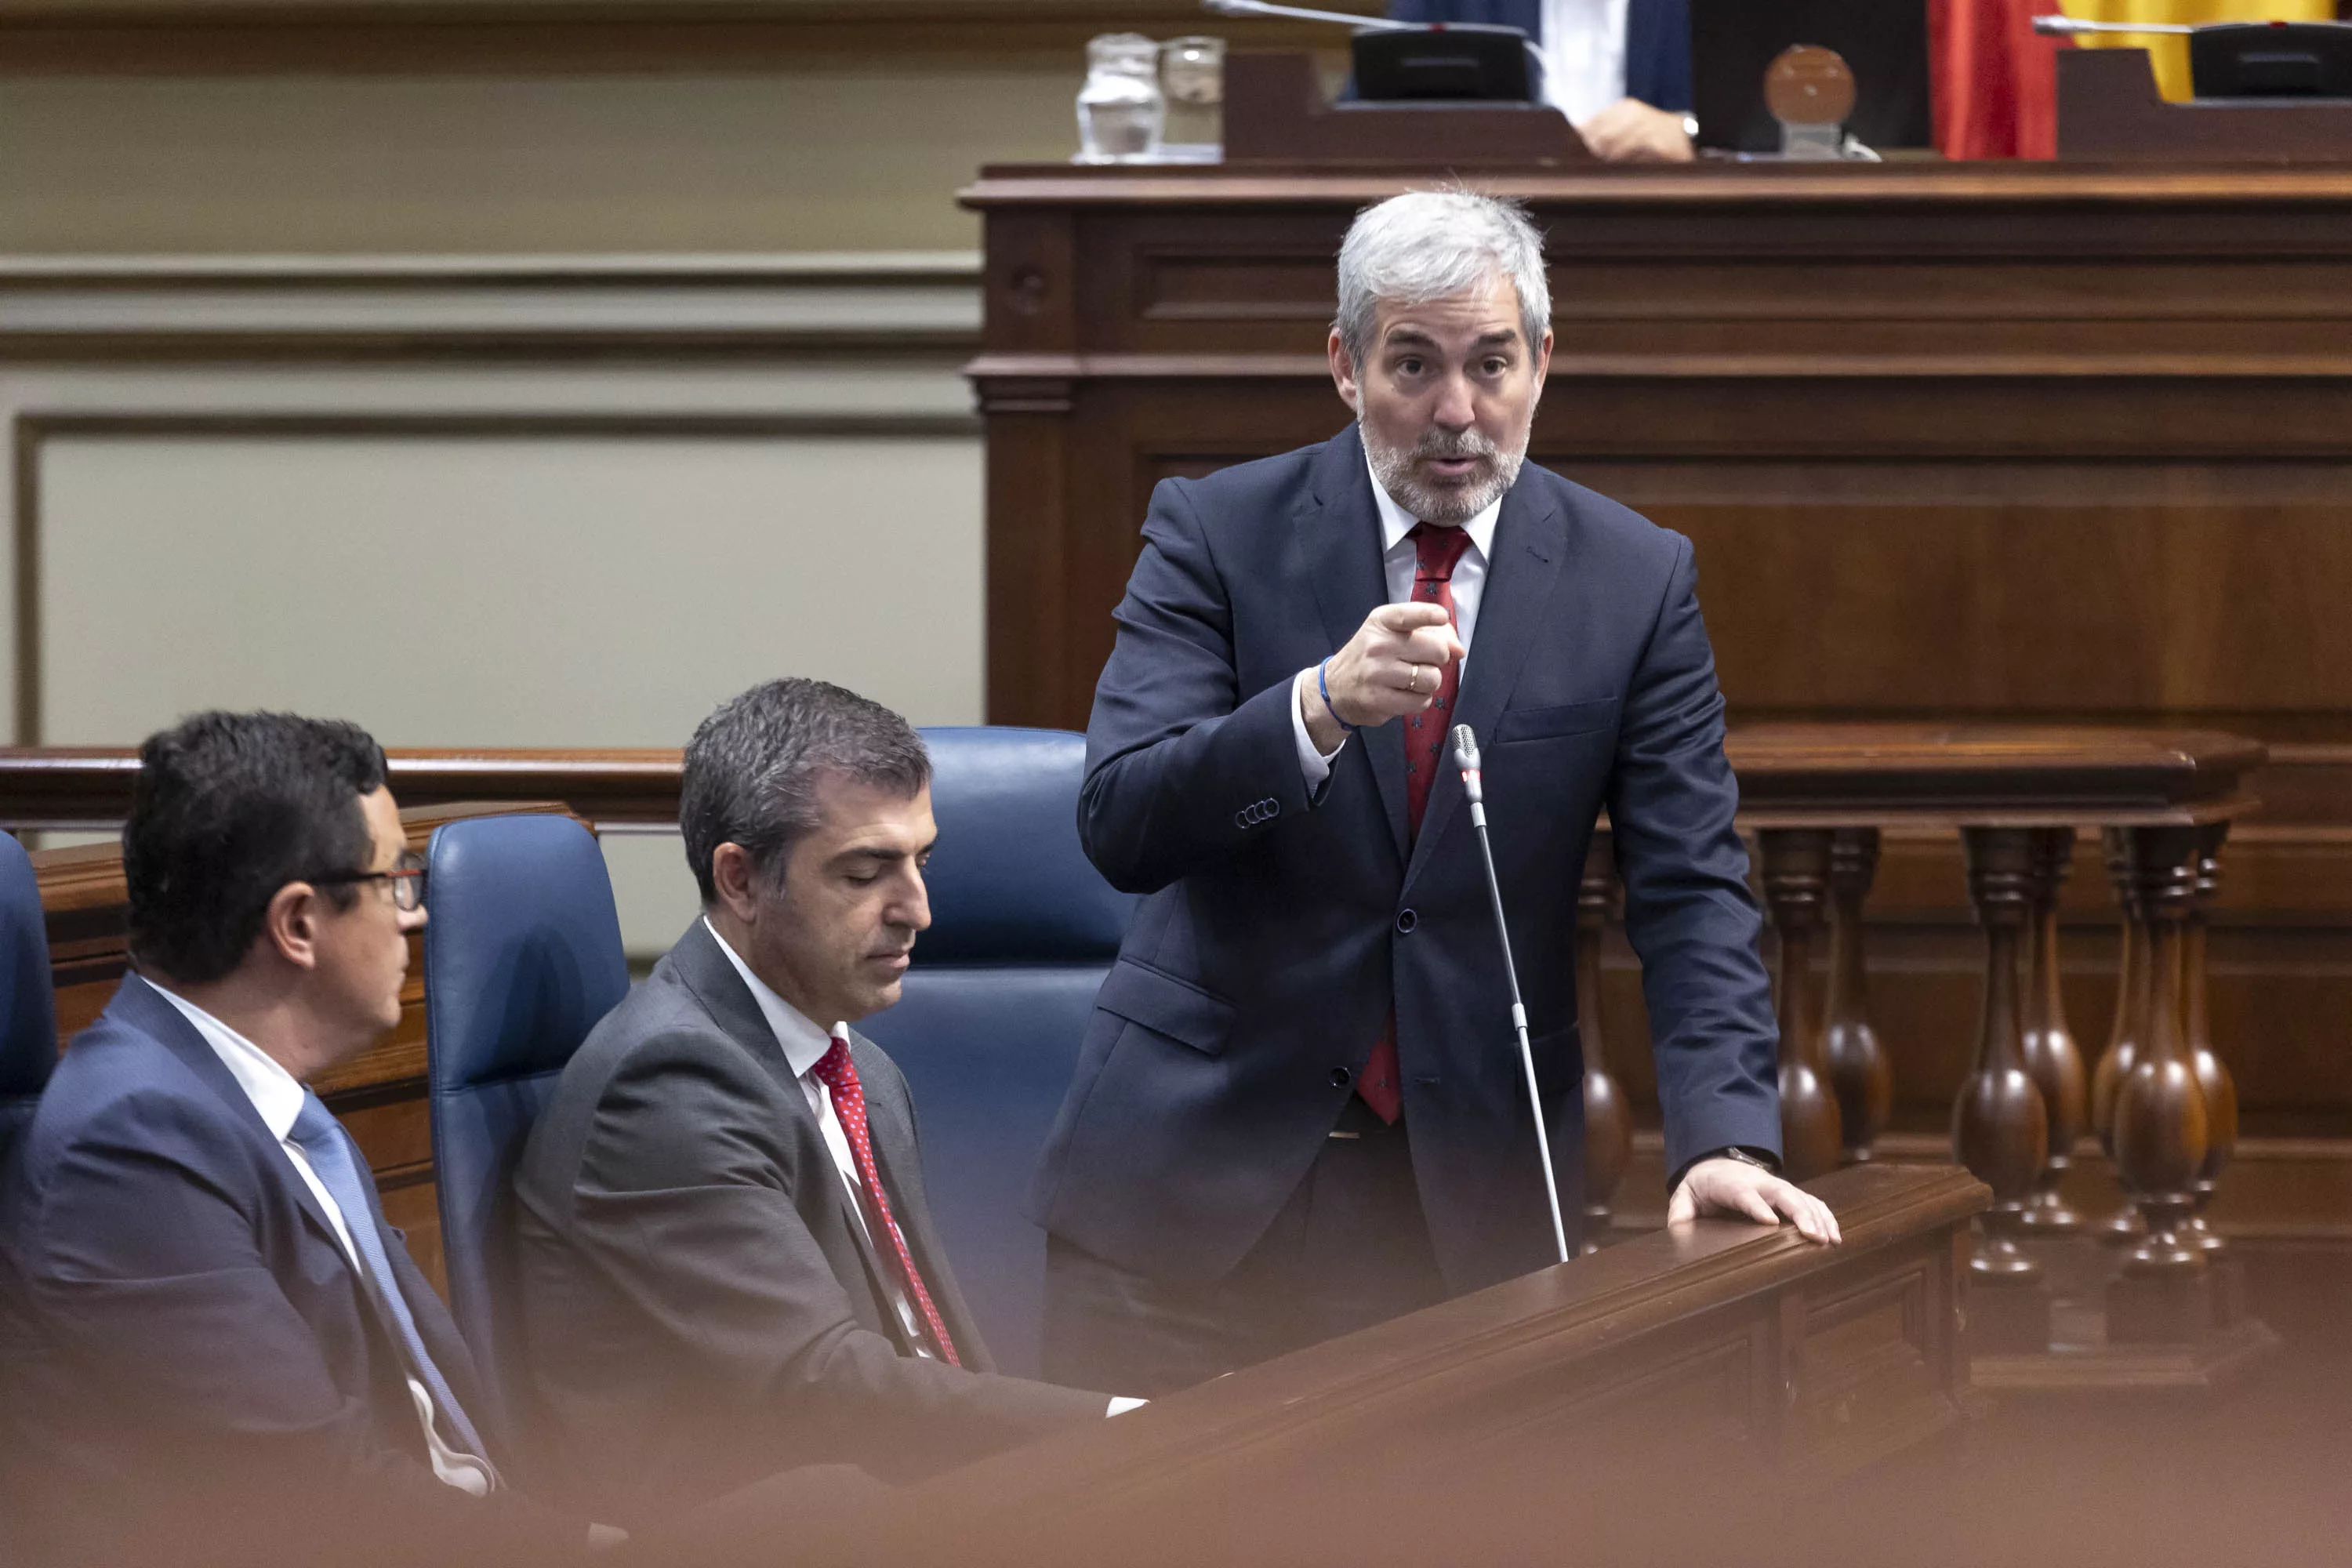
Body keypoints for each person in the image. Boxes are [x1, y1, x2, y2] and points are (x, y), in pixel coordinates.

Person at [1030, 189, 1841, 1399]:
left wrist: (1723, 1134)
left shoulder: (1636, 576)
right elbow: (1123, 819)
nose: (1456, 413)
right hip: (1191, 1199)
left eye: (1490, 364)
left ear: (1542, 364)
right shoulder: (1216, 530)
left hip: (1469, 1204)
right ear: (1346, 366)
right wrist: (1313, 709)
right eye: (1414, 364)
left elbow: (1692, 890)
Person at [513, 677, 1116, 1530]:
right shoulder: (665, 1082)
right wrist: (1116, 1431)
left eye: (922, 861)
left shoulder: (857, 1066)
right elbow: (823, 1383)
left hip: (895, 1503)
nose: (918, 909)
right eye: (866, 872)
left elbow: (928, 1345)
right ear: (741, 878)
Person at [0, 712, 587, 1568]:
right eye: (395, 879)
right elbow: (311, 1487)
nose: (414, 915)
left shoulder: (264, 1103)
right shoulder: (129, 1141)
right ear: (299, 923)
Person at [1388, 0, 1698, 162]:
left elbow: (1742, 131)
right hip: (1483, 236)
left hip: (1662, 231)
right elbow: (1374, 117)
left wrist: (1690, 133)